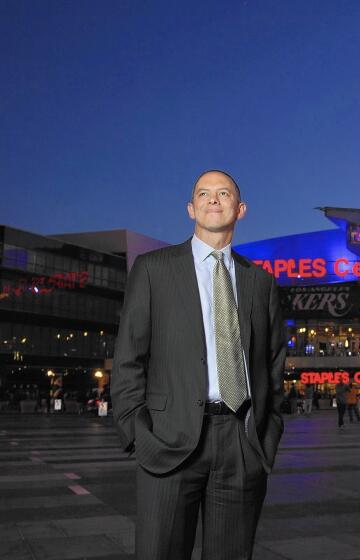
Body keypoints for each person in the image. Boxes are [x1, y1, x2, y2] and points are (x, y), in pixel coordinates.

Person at [112, 170, 286, 560]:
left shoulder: (260, 282)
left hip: (240, 442)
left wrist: (265, 437)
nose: (213, 199)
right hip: (169, 441)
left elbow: (273, 365)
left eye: (223, 193)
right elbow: (128, 360)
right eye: (203, 193)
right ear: (191, 208)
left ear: (240, 209)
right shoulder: (153, 269)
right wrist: (138, 435)